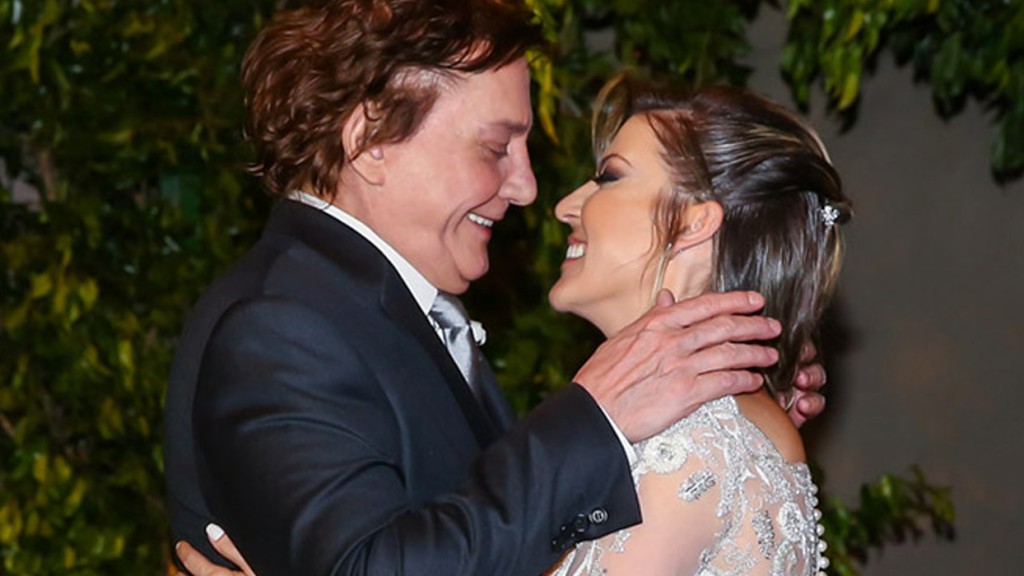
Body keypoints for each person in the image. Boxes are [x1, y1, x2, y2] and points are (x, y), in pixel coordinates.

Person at [164, 1, 827, 575]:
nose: (530, 188)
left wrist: (712, 430)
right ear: (371, 141)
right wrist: (600, 419)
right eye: (495, 147)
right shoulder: (285, 323)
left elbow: (485, 529)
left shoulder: (393, 312)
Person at [541, 77, 850, 575]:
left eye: (609, 177)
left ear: (692, 223)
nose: (566, 207)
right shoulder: (708, 427)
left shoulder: (690, 442)